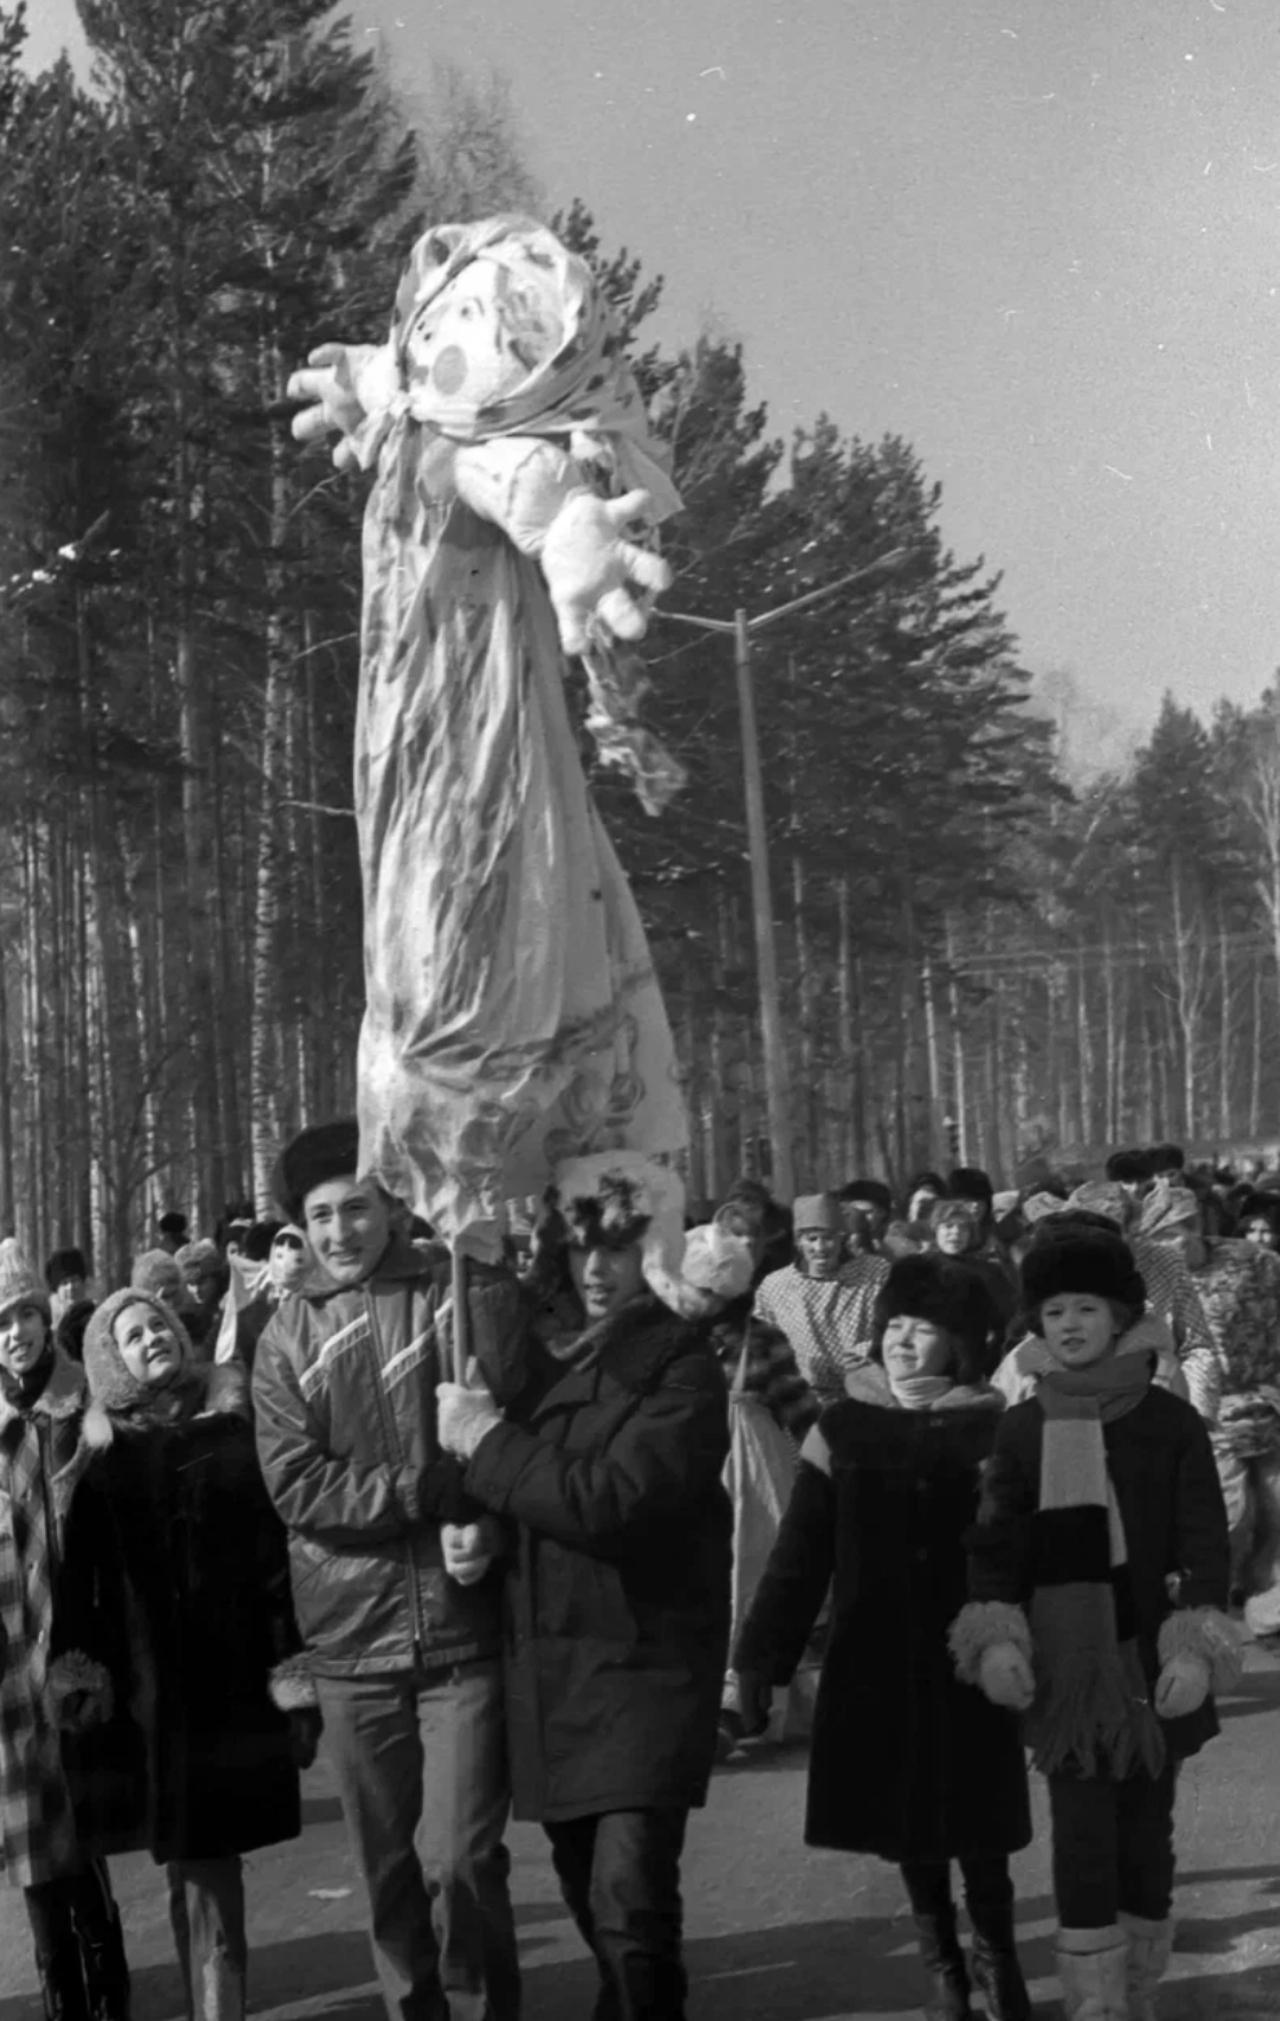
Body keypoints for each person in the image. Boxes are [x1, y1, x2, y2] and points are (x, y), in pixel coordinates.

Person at [436, 1152, 733, 2021]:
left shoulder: (681, 1363)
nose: (597, 1270)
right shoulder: (529, 1357)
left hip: (646, 1658)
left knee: (631, 1899)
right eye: (579, 1250)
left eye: (618, 1249)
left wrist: (488, 1442)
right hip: (551, 1665)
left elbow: (613, 1501)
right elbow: (513, 1485)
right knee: (589, 1896)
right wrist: (475, 1521)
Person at [252, 1119, 519, 2021]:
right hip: (351, 1641)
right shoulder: (286, 1336)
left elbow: (509, 1423)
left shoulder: (455, 1294)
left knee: (462, 1856)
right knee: (389, 1868)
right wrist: (418, 1487)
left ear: (391, 1205)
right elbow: (297, 1483)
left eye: (356, 1208)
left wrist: (479, 1506)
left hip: (459, 1626)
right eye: (320, 1215)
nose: (339, 1232)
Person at [732, 1254, 1032, 2021]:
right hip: (876, 1653)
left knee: (982, 1821)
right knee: (910, 1822)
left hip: (972, 1651)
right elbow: (801, 1553)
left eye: (921, 1328)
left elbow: (1020, 1547)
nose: (901, 1342)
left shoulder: (992, 1425)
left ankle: (999, 1957)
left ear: (957, 1342)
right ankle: (944, 1970)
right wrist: (760, 1658)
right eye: (893, 1325)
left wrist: (1020, 1639)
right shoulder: (843, 1426)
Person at [954, 1229, 1238, 2021]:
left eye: (1086, 1306)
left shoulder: (1170, 1422)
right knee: (1080, 1837)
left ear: (1120, 1314)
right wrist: (999, 1632)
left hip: (1153, 1665)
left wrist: (1194, 1645)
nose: (1071, 1323)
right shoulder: (1021, 1425)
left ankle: (1138, 1991)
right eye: (1053, 1310)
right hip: (1067, 1670)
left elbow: (1205, 1540)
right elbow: (996, 1542)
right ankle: (1095, 2006)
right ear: (1035, 1323)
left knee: (1147, 1835)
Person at [52, 1288, 317, 2021]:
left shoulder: (229, 1439)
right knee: (187, 1863)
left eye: (158, 1326)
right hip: (152, 1704)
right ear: (114, 1362)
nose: (152, 1340)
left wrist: (290, 1677)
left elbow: (272, 1572)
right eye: (132, 1336)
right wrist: (81, 1680)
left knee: (210, 1869)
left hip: (228, 1692)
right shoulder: (105, 1466)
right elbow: (82, 1588)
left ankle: (218, 2005)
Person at [0, 1239, 130, 2021]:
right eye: (0, 1321)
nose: (13, 1331)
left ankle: (104, 1969)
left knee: (77, 1823)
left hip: (76, 1636)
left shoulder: (82, 1404)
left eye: (23, 1313)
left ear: (45, 1320)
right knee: (25, 1836)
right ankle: (59, 1990)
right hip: (7, 1649)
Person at [751, 1192, 888, 1408]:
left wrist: (872, 1349)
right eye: (812, 1239)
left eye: (828, 1238)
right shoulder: (776, 1286)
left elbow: (895, 1321)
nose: (820, 1248)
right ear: (799, 1242)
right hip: (803, 1400)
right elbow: (761, 1343)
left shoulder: (874, 1273)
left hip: (866, 1394)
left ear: (841, 1238)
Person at [45, 1250, 94, 1364]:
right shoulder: (49, 1324)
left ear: (83, 1282)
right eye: (64, 1283)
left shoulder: (95, 1315)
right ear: (56, 1290)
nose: (71, 1287)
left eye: (74, 1280)